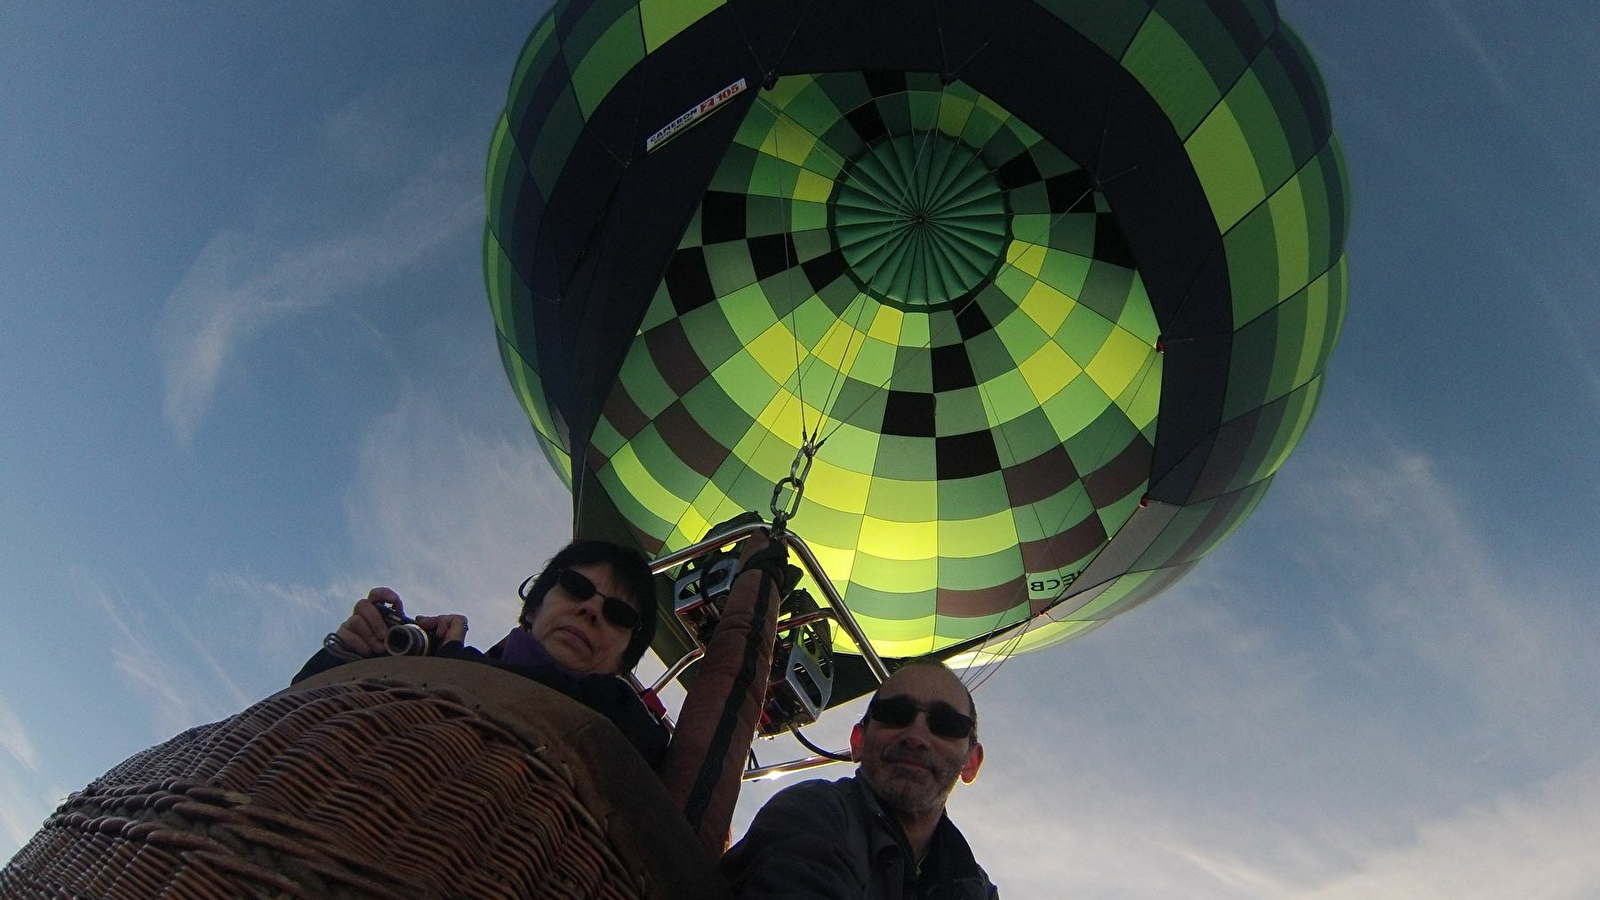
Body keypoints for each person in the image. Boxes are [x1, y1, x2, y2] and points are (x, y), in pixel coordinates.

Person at [291, 538, 670, 765]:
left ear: (623, 661)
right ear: (534, 608)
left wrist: (452, 663)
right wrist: (347, 655)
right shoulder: (438, 659)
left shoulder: (624, 724)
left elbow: (546, 709)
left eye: (618, 614)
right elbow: (296, 722)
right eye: (575, 586)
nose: (590, 609)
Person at [720, 659, 997, 899]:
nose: (916, 737)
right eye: (895, 714)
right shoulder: (811, 813)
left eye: (947, 723)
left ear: (971, 762)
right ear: (858, 741)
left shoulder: (976, 888)